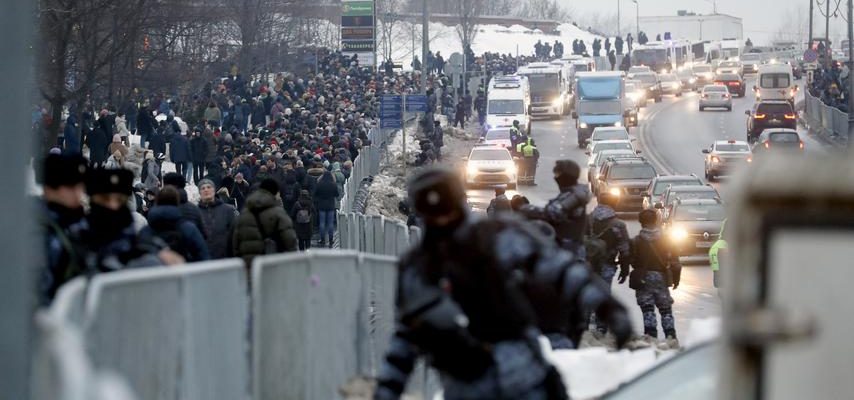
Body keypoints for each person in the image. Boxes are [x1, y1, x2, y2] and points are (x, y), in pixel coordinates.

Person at [374, 168, 630, 399]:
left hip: (523, 372)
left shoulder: (495, 237)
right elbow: (407, 337)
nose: (443, 223)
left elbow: (558, 269)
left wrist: (607, 308)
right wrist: (387, 390)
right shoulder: (419, 267)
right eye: (435, 216)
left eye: (447, 213)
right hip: (468, 383)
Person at [71, 168, 185, 274]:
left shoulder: (135, 231)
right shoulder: (77, 235)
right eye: (105, 199)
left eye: (119, 200)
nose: (113, 205)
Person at [622, 209, 682, 346]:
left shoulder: (636, 241)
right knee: (666, 309)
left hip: (643, 279)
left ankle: (651, 339)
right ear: (656, 221)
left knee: (647, 310)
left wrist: (626, 271)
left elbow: (628, 259)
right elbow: (676, 264)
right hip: (661, 278)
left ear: (641, 222)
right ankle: (671, 338)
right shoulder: (667, 240)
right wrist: (676, 280)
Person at [38, 154, 88, 305]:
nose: (78, 194)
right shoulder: (38, 228)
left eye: (80, 187)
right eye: (70, 187)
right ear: (49, 189)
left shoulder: (78, 222)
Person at [517, 160, 591, 256]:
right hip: (563, 247)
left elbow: (552, 212)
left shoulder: (575, 196)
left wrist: (524, 207)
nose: (556, 178)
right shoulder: (571, 193)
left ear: (566, 176)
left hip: (569, 250)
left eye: (558, 175)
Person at [586, 194, 630, 336]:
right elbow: (624, 249)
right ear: (615, 203)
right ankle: (601, 328)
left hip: (587, 264)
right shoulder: (618, 225)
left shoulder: (587, 219)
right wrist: (625, 269)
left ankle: (584, 325)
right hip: (607, 265)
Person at [232, 178, 298, 267]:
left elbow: (235, 244)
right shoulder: (278, 213)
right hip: (273, 266)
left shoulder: (244, 213)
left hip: (249, 267)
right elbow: (290, 241)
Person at [142, 186, 210, 262]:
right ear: (177, 202)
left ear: (157, 200)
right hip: (184, 271)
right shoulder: (188, 228)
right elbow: (203, 256)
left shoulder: (145, 231)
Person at [197, 179, 237, 260]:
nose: (206, 190)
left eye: (209, 187)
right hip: (203, 259)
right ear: (200, 192)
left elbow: (235, 233)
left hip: (225, 258)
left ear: (214, 190)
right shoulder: (195, 212)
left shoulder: (228, 210)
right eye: (203, 188)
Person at [312, 170, 340, 248]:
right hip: (330, 205)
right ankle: (331, 239)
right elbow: (337, 194)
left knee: (322, 223)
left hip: (321, 205)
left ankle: (322, 239)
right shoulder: (333, 184)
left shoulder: (320, 184)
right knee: (330, 223)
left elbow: (315, 194)